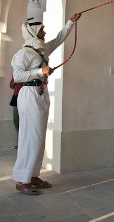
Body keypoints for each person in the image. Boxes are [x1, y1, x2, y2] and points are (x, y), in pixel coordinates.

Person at [11, 13, 81, 195]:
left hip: (41, 93)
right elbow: (18, 76)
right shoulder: (24, 54)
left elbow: (58, 39)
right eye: (41, 29)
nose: (44, 31)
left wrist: (70, 23)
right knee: (30, 137)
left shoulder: (41, 50)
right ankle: (22, 180)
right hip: (29, 95)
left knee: (39, 137)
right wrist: (39, 71)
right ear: (34, 32)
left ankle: (33, 175)